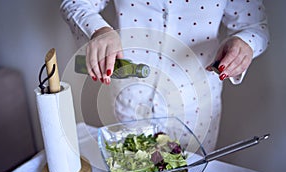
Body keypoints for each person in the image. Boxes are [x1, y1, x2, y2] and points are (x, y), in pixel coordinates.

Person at [60, 0, 269, 152]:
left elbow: (255, 27)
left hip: (196, 105)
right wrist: (99, 31)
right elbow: (75, 2)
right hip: (131, 99)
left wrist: (245, 43)